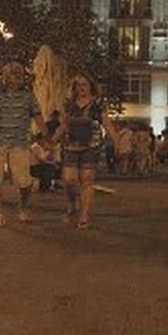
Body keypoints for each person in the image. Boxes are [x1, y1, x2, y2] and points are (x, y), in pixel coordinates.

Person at [0, 60, 41, 228]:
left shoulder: (28, 97)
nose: (15, 78)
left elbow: (38, 116)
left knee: (23, 181)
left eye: (18, 75)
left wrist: (46, 137)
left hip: (19, 142)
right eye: (12, 75)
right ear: (5, 77)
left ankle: (23, 205)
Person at [55, 70, 106, 230]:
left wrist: (117, 140)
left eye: (85, 85)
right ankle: (72, 202)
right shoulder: (69, 105)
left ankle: (84, 215)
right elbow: (64, 125)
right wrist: (52, 141)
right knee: (69, 179)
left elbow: (107, 123)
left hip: (91, 145)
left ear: (91, 87)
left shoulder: (98, 105)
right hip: (71, 145)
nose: (82, 88)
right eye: (78, 85)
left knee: (87, 179)